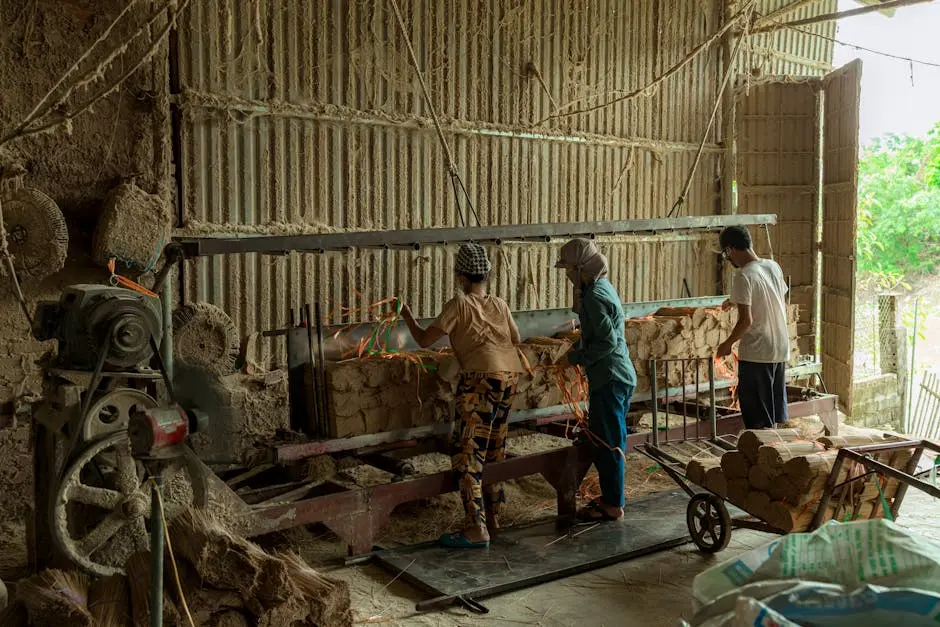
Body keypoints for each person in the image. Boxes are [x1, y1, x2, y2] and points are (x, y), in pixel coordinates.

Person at [400, 243, 523, 548]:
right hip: (509, 378)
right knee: (494, 449)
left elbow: (425, 340)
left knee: (468, 455)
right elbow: (516, 339)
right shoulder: (500, 304)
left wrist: (406, 314)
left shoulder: (459, 304)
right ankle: (494, 518)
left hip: (480, 381)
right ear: (487, 275)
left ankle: (476, 528)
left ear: (460, 276)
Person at [556, 238, 636, 522]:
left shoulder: (593, 297)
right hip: (618, 375)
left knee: (609, 443)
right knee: (609, 439)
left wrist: (575, 358)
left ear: (580, 268)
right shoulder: (603, 287)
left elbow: (607, 342)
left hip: (610, 377)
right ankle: (611, 497)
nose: (566, 275)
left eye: (568, 269)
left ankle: (614, 504)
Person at [716, 225, 790, 429]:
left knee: (757, 419)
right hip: (780, 349)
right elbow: (767, 295)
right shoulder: (772, 266)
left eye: (726, 253)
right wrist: (734, 299)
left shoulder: (744, 276)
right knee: (772, 415)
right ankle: (774, 453)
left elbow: (746, 321)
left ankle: (762, 455)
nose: (728, 259)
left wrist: (727, 344)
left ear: (730, 249)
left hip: (757, 354)